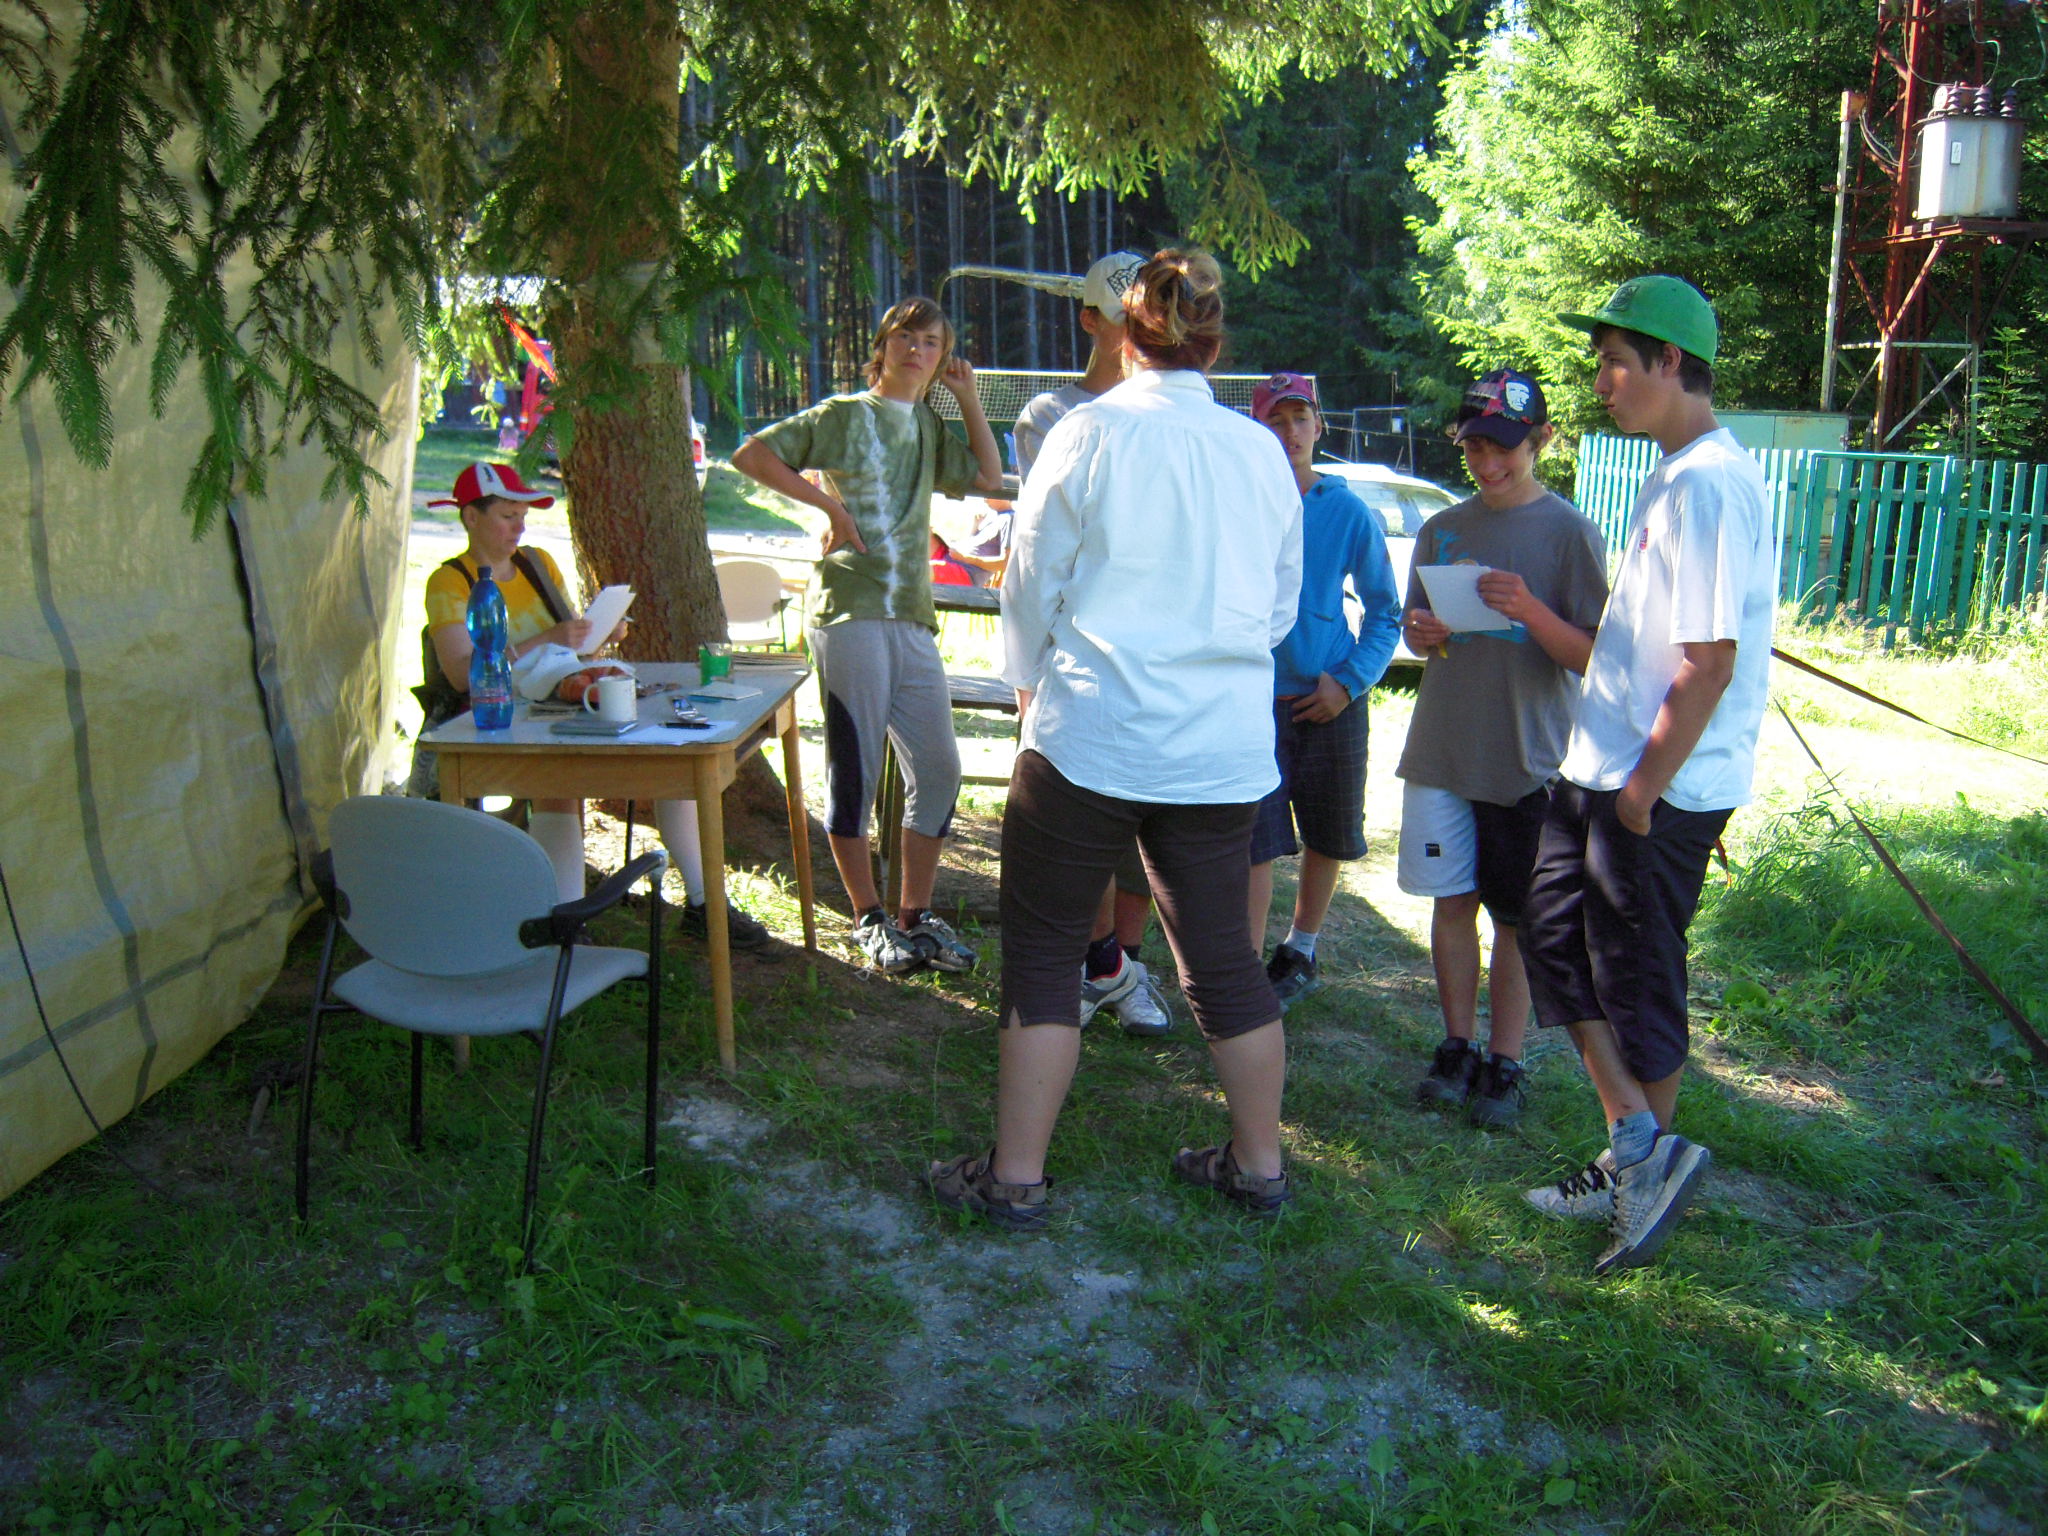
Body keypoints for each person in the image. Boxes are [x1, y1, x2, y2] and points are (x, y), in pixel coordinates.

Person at [928, 249, 1303, 1229]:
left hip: (1088, 732)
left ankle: (1016, 1177)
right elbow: (1277, 608)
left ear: (1123, 334)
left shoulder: (1086, 432)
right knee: (1223, 958)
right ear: (1213, 343)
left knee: (1046, 951)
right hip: (1217, 748)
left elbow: (1029, 582)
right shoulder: (1259, 451)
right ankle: (1259, 1166)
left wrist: (1025, 683)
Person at [1520, 276, 1775, 1274]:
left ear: (1671, 362)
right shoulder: (1676, 474)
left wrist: (1638, 795)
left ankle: (1642, 1173)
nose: (1601, 384)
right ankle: (1637, 1143)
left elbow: (1707, 662)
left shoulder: (1709, 483)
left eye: (1616, 364)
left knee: (1634, 983)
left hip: (1654, 788)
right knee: (1552, 939)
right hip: (1599, 766)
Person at [731, 297, 1004, 974]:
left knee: (938, 770)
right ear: (881, 347)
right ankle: (868, 917)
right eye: (906, 337)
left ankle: (916, 914)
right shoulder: (844, 414)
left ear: (942, 360)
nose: (917, 350)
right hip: (848, 612)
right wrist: (828, 504)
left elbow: (990, 479)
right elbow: (751, 455)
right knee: (854, 770)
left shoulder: (929, 426)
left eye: (932, 342)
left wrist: (969, 400)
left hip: (911, 618)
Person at [414, 462, 768, 946]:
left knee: (672, 750)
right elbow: (462, 674)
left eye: (523, 516)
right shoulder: (450, 581)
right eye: (507, 516)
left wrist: (600, 633)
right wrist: (551, 639)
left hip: (561, 701)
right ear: (471, 517)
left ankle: (705, 902)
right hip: (497, 716)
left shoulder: (537, 563)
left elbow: (571, 650)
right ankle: (563, 923)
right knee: (559, 787)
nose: (519, 528)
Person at [1397, 370, 1608, 1130]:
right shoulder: (1441, 528)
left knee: (1516, 917)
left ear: (1541, 440)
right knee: (1452, 902)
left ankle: (1506, 1060)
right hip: (1443, 751)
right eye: (1473, 448)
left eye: (1503, 448)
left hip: (1527, 759)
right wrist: (1422, 631)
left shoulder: (1570, 533)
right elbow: (1416, 631)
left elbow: (1596, 657)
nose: (1487, 464)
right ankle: (1457, 1046)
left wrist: (1529, 610)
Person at [1011, 250, 1174, 1038]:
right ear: (1090, 320)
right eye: (1124, 319)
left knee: (1149, 821)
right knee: (1082, 825)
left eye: (1153, 317)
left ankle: (1118, 966)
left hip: (1157, 654)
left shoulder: (1177, 416)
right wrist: (1028, 672)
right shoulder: (1052, 416)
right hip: (1077, 653)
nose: (1142, 333)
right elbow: (1049, 550)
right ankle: (1099, 961)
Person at [1246, 372, 1401, 1009]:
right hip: (1251, 701)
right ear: (1257, 429)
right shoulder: (1240, 501)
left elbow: (1386, 611)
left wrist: (1349, 682)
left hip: (1328, 702)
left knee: (1328, 832)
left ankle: (1301, 948)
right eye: (1276, 420)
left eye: (1300, 419)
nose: (1290, 432)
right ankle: (1243, 967)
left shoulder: (1346, 510)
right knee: (1253, 838)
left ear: (1318, 425)